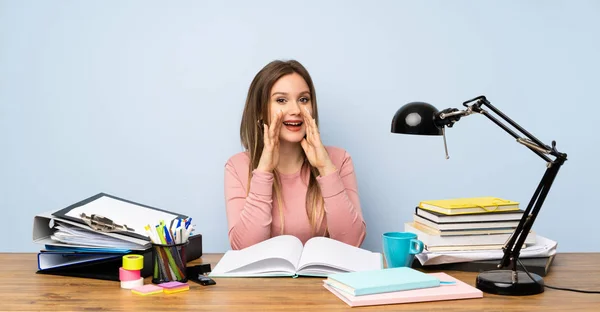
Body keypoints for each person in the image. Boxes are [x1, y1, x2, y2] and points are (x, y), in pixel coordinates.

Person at [224, 59, 366, 250]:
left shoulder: (339, 160)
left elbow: (352, 243)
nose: (296, 110)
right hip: (264, 280)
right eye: (281, 100)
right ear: (260, 110)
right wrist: (264, 171)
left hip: (325, 279)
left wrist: (326, 168)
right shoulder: (237, 166)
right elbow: (244, 248)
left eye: (304, 99)